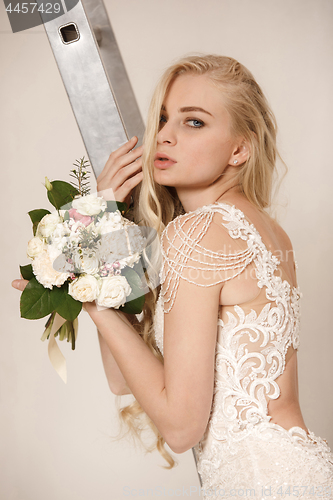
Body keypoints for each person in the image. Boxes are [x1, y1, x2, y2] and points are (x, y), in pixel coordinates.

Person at [13, 55, 333, 498]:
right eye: (163, 118)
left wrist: (83, 294)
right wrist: (108, 227)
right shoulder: (266, 230)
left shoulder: (198, 232)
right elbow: (124, 378)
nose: (163, 135)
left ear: (240, 148)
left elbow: (181, 428)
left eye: (194, 122)